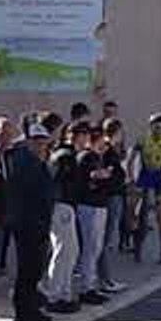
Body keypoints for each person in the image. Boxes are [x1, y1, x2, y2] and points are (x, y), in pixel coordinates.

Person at [6, 123, 55, 321]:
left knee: (35, 272)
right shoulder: (22, 161)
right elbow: (22, 195)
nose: (40, 145)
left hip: (40, 223)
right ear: (28, 141)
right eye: (36, 141)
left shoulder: (37, 161)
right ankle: (23, 317)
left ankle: (32, 311)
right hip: (27, 224)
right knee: (26, 273)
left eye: (43, 141)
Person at [42, 121, 88, 314]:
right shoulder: (65, 156)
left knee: (71, 251)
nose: (86, 138)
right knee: (64, 251)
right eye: (84, 134)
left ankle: (64, 293)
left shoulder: (66, 155)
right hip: (61, 206)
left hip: (66, 206)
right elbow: (56, 182)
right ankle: (54, 295)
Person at [129, 112, 161, 265]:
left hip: (159, 178)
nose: (159, 130)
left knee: (160, 217)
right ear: (151, 127)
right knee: (134, 210)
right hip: (144, 176)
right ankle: (134, 240)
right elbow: (131, 159)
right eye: (156, 127)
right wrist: (131, 178)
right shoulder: (142, 139)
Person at [75, 124, 112, 305]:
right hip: (89, 205)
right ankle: (86, 287)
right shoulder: (87, 156)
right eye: (102, 140)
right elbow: (93, 176)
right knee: (90, 247)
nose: (105, 143)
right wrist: (103, 174)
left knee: (95, 247)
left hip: (98, 205)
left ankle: (90, 285)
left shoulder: (96, 156)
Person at [96, 118, 127, 295]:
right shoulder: (107, 149)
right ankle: (104, 279)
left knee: (104, 241)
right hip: (110, 197)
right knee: (104, 241)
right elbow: (108, 173)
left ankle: (104, 278)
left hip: (113, 195)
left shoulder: (109, 149)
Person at [0, 114, 18, 281]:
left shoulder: (9, 155)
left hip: (4, 215)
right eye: (2, 133)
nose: (7, 137)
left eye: (9, 133)